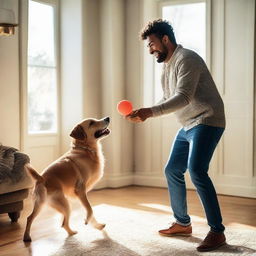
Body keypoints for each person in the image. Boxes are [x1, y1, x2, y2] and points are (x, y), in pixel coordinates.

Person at [126, 19, 226, 252]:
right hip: (188, 124)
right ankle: (182, 223)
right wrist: (144, 111)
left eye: (151, 44)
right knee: (172, 169)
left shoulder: (187, 59)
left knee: (197, 170)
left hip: (207, 119)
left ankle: (217, 232)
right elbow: (167, 98)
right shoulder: (168, 66)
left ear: (165, 39)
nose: (150, 50)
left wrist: (150, 113)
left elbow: (184, 97)